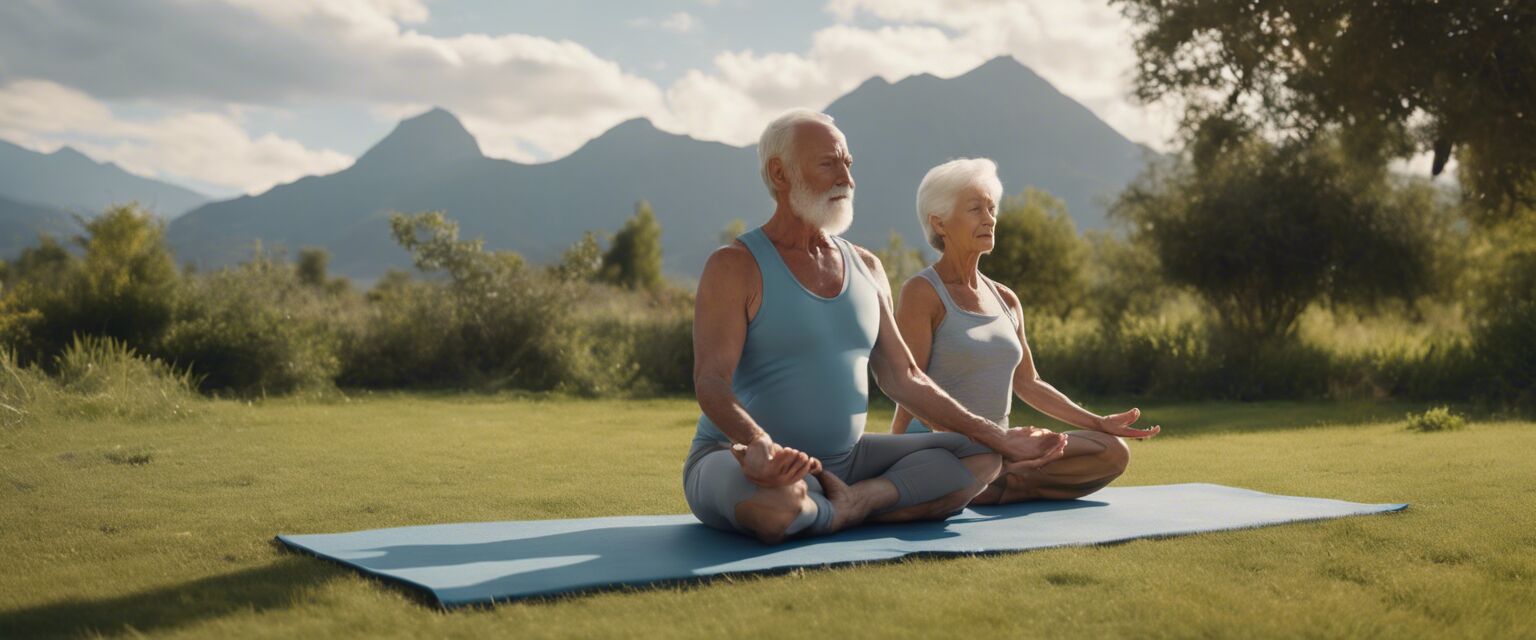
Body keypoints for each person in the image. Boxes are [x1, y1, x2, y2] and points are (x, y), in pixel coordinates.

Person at [686, 110, 1070, 544]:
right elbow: (712, 381)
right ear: (780, 173)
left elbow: (904, 377)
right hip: (738, 457)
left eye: (848, 163)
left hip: (849, 460)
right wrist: (757, 443)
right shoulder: (734, 266)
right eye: (829, 163)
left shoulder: (866, 266)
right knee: (778, 507)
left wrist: (998, 436)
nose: (846, 178)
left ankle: (853, 502)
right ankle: (836, 503)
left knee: (985, 455)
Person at [891, 158, 1161, 504]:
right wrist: (893, 453)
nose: (989, 218)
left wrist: (1098, 422)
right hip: (942, 445)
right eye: (975, 209)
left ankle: (1004, 482)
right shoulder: (922, 292)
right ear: (939, 223)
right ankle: (996, 480)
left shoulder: (1005, 298)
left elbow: (1028, 383)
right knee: (980, 462)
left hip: (1004, 449)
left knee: (1111, 451)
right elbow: (910, 387)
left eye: (991, 208)